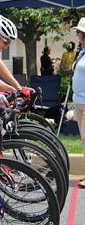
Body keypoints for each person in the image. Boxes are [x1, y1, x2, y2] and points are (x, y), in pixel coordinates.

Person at [71, 18, 85, 188]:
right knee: (83, 139)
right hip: (79, 102)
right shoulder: (81, 52)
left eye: (79, 32)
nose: (77, 34)